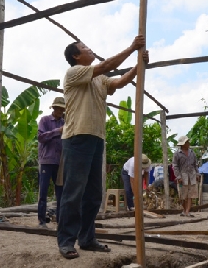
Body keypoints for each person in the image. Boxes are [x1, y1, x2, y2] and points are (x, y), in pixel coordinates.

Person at [57, 35, 148, 259]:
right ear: (76, 56)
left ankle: (87, 239)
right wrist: (132, 47)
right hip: (77, 137)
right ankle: (67, 241)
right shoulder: (75, 72)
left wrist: (138, 66)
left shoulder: (99, 79)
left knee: (93, 194)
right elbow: (107, 65)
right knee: (73, 192)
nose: (90, 48)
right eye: (84, 47)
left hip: (96, 138)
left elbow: (118, 82)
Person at [37, 96, 65, 228]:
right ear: (54, 108)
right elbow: (41, 137)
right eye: (59, 108)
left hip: (59, 163)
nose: (60, 111)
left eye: (62, 109)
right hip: (47, 161)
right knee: (43, 192)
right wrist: (57, 132)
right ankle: (42, 221)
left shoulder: (65, 123)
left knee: (61, 192)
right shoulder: (45, 120)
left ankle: (60, 221)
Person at [172, 135, 200, 217]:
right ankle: (184, 210)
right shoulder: (177, 154)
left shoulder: (192, 153)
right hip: (182, 177)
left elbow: (195, 165)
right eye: (187, 142)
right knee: (182, 196)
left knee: (190, 195)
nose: (188, 143)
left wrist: (197, 174)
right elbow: (175, 166)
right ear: (183, 144)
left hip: (192, 176)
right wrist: (179, 177)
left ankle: (187, 211)